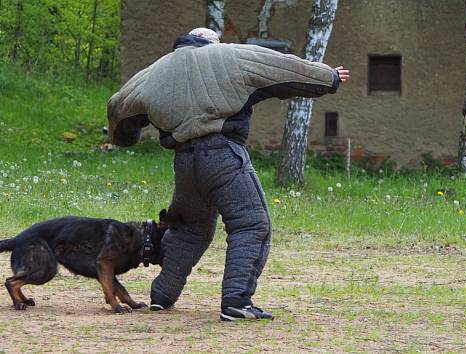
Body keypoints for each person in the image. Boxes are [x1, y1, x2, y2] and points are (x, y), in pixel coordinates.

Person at [107, 28, 350, 320]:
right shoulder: (229, 54)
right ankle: (237, 302)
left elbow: (118, 108)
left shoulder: (153, 71)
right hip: (223, 155)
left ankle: (162, 295)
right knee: (251, 223)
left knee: (189, 230)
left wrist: (126, 138)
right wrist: (329, 78)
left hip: (185, 163)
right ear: (211, 43)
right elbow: (283, 67)